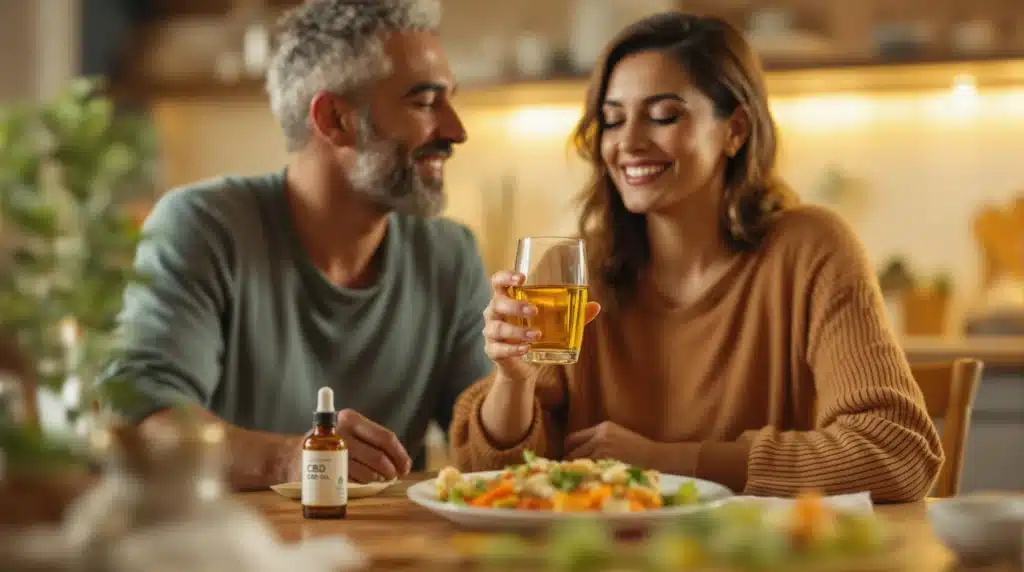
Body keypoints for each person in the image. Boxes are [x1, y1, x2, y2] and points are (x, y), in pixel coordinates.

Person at [450, 12, 944, 502]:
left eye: (664, 115)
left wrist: (666, 460)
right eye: (613, 120)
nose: (629, 143)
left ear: (736, 130)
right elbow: (487, 477)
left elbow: (897, 452)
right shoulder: (579, 276)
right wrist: (513, 381)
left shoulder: (811, 250)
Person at [101, 0, 493, 490]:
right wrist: (294, 461)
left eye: (449, 100)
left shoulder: (450, 255)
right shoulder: (203, 227)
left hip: (390, 536)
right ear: (334, 118)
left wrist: (522, 382)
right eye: (425, 102)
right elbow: (144, 421)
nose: (456, 131)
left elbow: (484, 450)